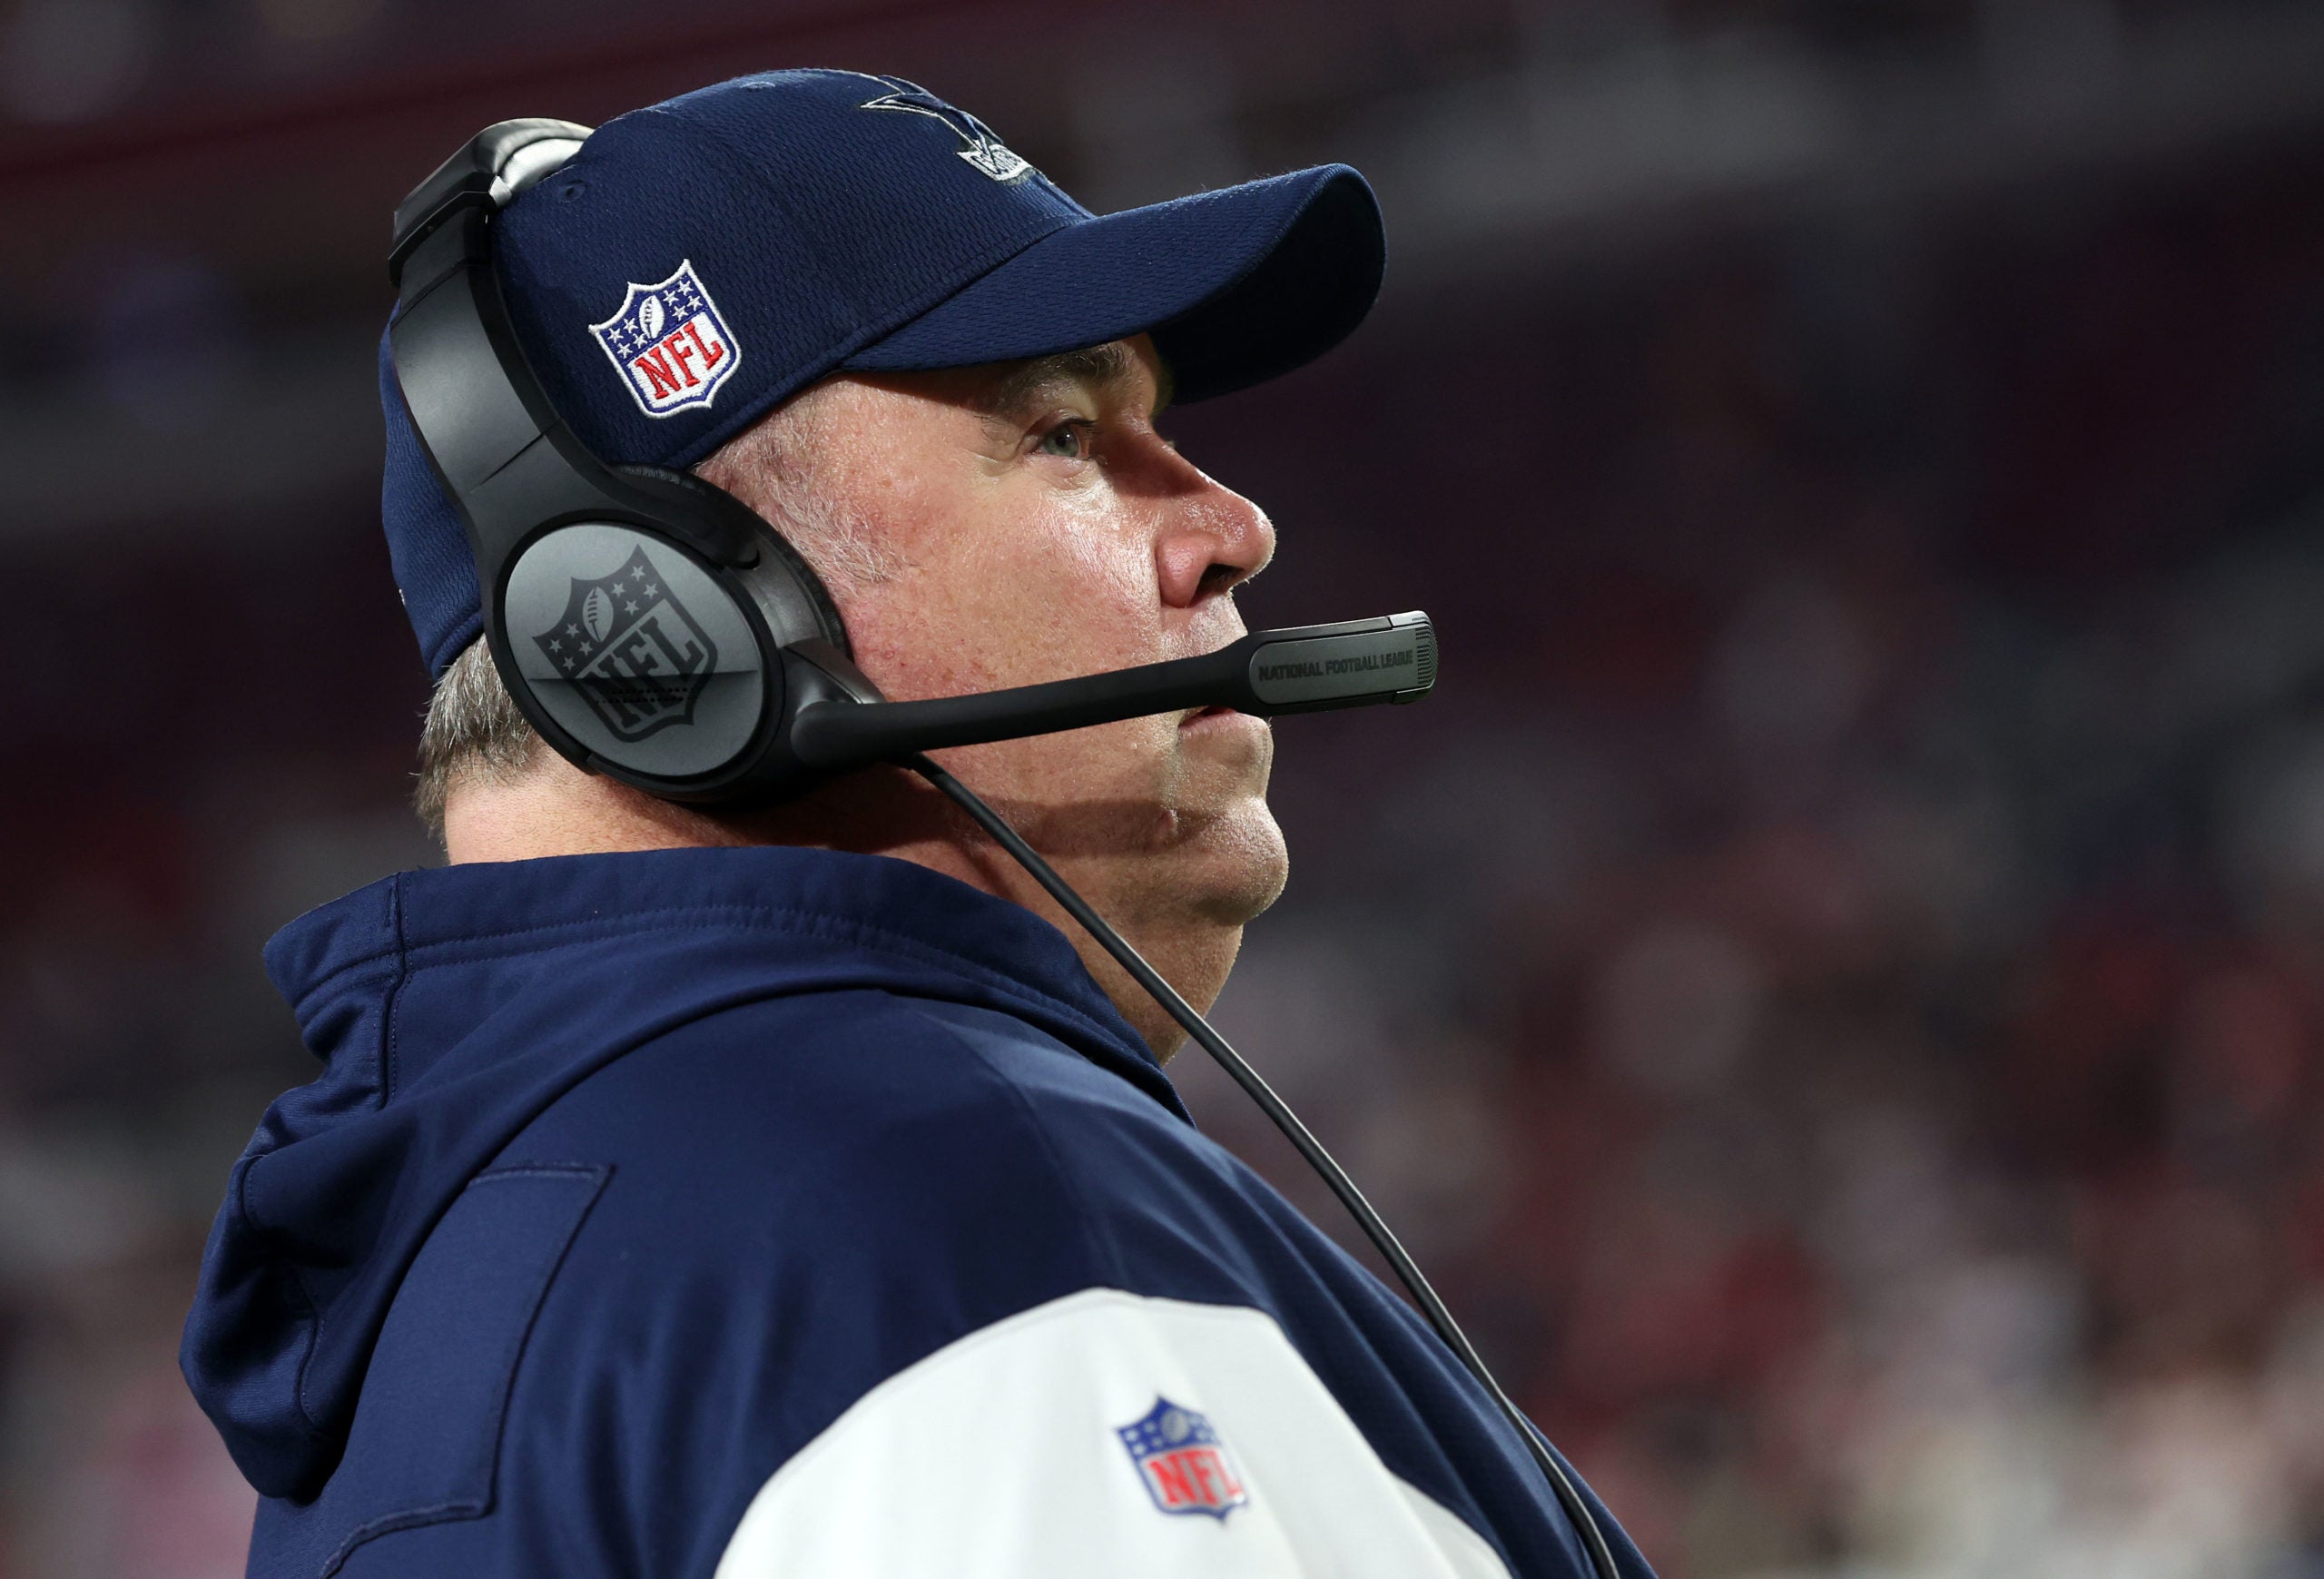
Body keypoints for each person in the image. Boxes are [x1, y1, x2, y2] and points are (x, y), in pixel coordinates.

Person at [181, 70, 1654, 1577]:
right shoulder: (957, 1211)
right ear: (679, 629)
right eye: (1068, 434)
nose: (1233, 526)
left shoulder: (441, 1324)